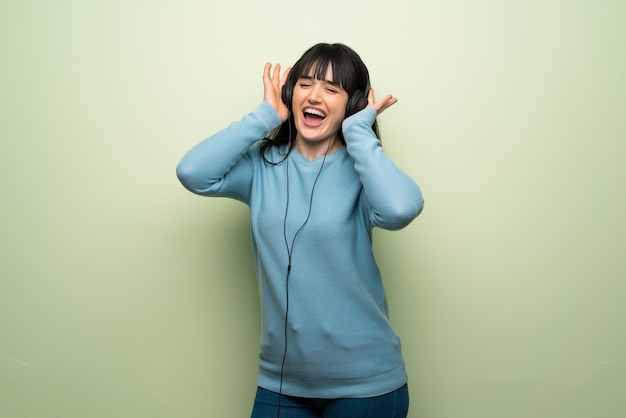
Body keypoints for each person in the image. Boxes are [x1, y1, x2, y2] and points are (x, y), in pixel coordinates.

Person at [176, 43, 424, 418]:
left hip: (365, 386)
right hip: (281, 385)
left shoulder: (364, 173)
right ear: (291, 94)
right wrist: (263, 117)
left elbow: (401, 208)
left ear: (352, 104)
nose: (315, 96)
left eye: (332, 89)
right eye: (305, 84)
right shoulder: (261, 165)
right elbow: (193, 173)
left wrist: (358, 132)